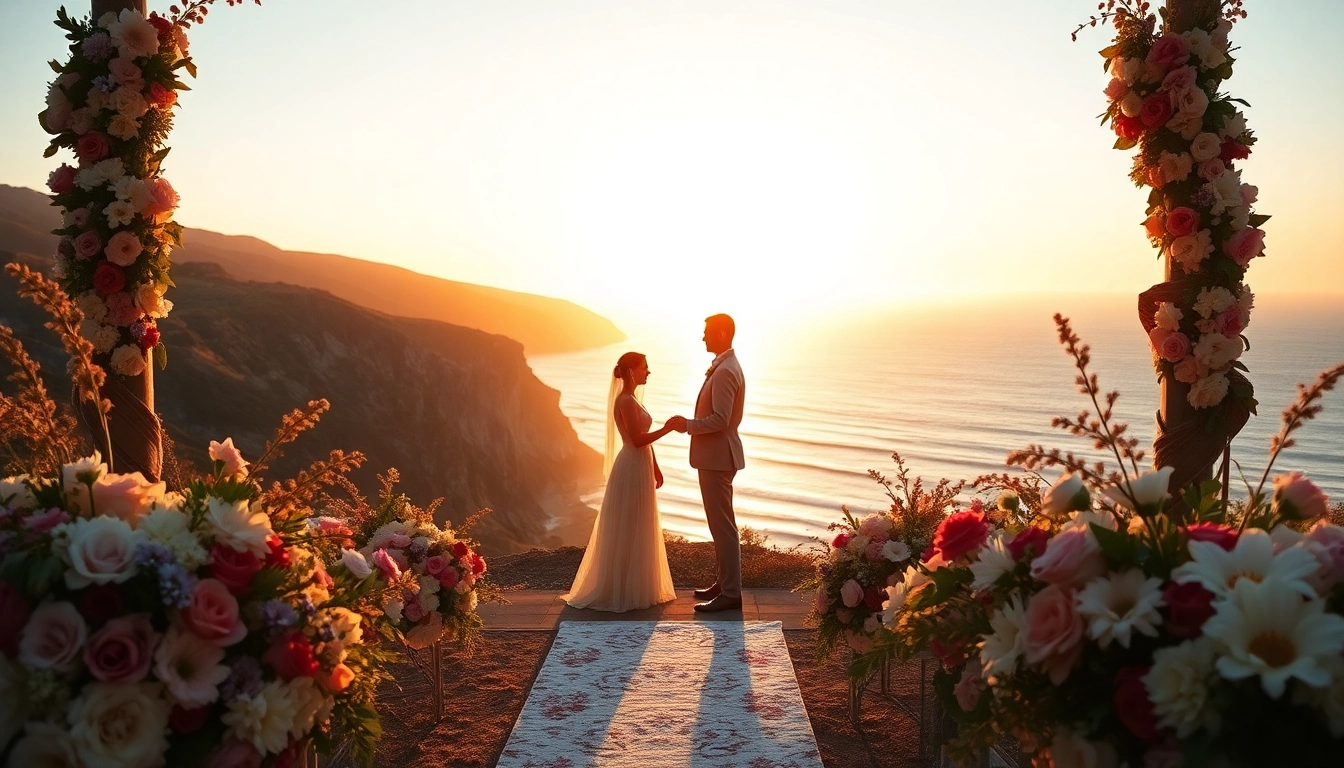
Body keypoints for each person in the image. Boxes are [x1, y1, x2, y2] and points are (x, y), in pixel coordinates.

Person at [561, 351, 678, 612]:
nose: (649, 371)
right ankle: (622, 588)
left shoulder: (633, 399)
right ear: (631, 371)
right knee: (629, 523)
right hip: (631, 466)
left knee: (640, 522)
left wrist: (656, 467)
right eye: (645, 367)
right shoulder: (625, 401)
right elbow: (636, 440)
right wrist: (668, 428)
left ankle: (638, 586)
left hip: (641, 464)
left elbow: (643, 438)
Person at [668, 314, 746, 613]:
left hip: (717, 458)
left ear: (723, 334)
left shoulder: (726, 370)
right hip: (717, 456)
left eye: (707, 333)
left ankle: (730, 593)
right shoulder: (726, 365)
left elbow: (720, 420)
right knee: (719, 525)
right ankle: (722, 583)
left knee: (723, 527)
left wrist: (687, 425)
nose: (703, 337)